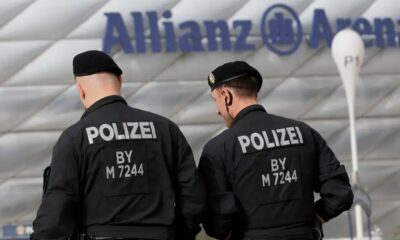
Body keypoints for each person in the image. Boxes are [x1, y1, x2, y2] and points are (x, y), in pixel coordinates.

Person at [30, 50, 205, 240]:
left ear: (80, 89)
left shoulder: (74, 138)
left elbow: (57, 208)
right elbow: (192, 196)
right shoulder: (165, 129)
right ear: (120, 81)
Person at [198, 61, 354, 240]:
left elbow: (217, 222)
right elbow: (340, 193)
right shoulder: (304, 132)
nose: (217, 111)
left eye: (215, 100)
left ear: (226, 95)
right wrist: (315, 218)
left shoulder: (219, 148)